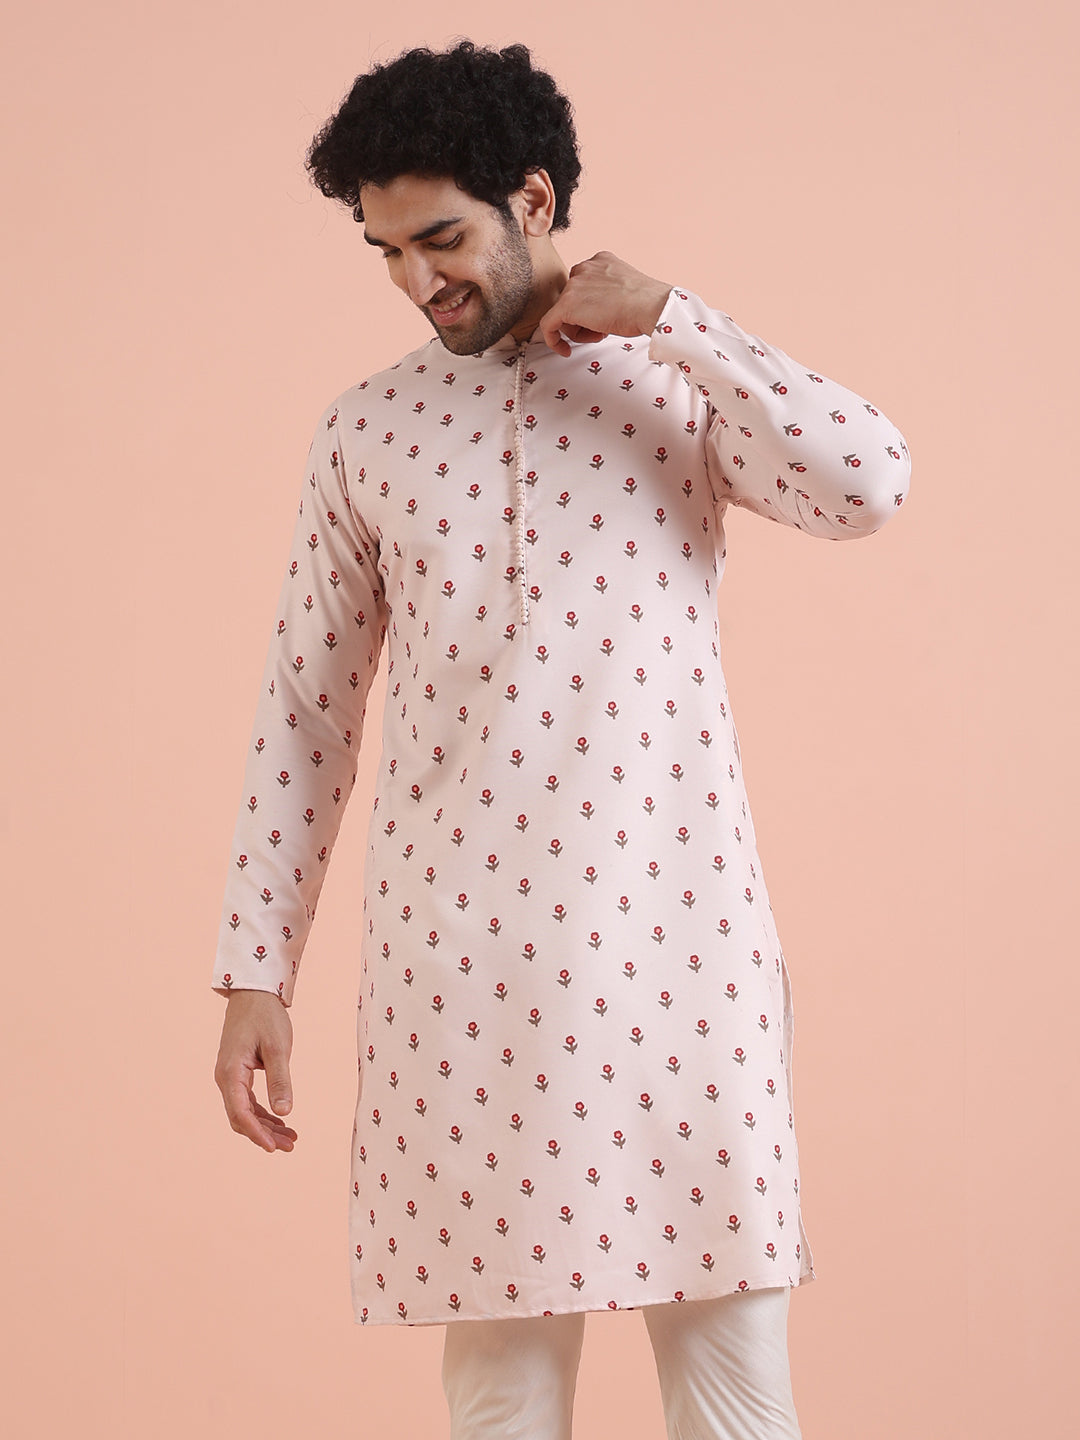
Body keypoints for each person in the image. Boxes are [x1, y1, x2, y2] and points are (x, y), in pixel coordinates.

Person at [212, 38, 911, 1440]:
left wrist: (682, 320)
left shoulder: (675, 388)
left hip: (677, 953)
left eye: (441, 239)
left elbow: (868, 485)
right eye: (386, 252)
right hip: (461, 981)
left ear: (533, 200)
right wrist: (253, 972)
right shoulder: (369, 432)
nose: (416, 282)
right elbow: (306, 710)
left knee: (735, 1394)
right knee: (501, 1398)